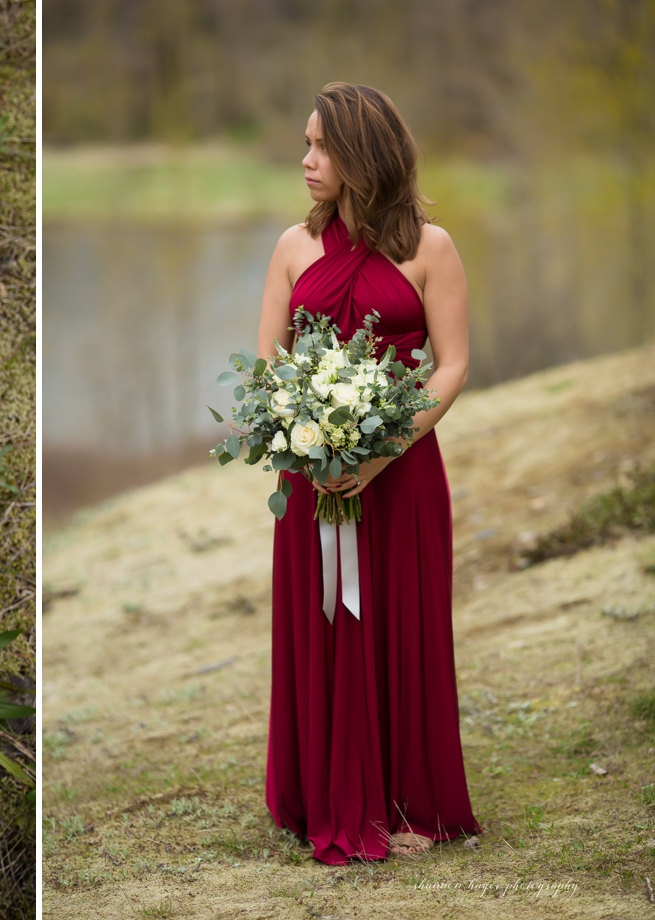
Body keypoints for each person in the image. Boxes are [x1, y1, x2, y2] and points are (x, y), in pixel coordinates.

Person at [253, 82, 481, 864]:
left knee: (400, 625)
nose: (307, 160)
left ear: (361, 155)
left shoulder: (431, 248)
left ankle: (409, 802)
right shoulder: (292, 246)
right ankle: (319, 794)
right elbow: (268, 366)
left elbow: (450, 367)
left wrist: (385, 449)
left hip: (404, 475)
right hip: (311, 479)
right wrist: (305, 439)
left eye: (321, 146)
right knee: (321, 624)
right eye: (306, 144)